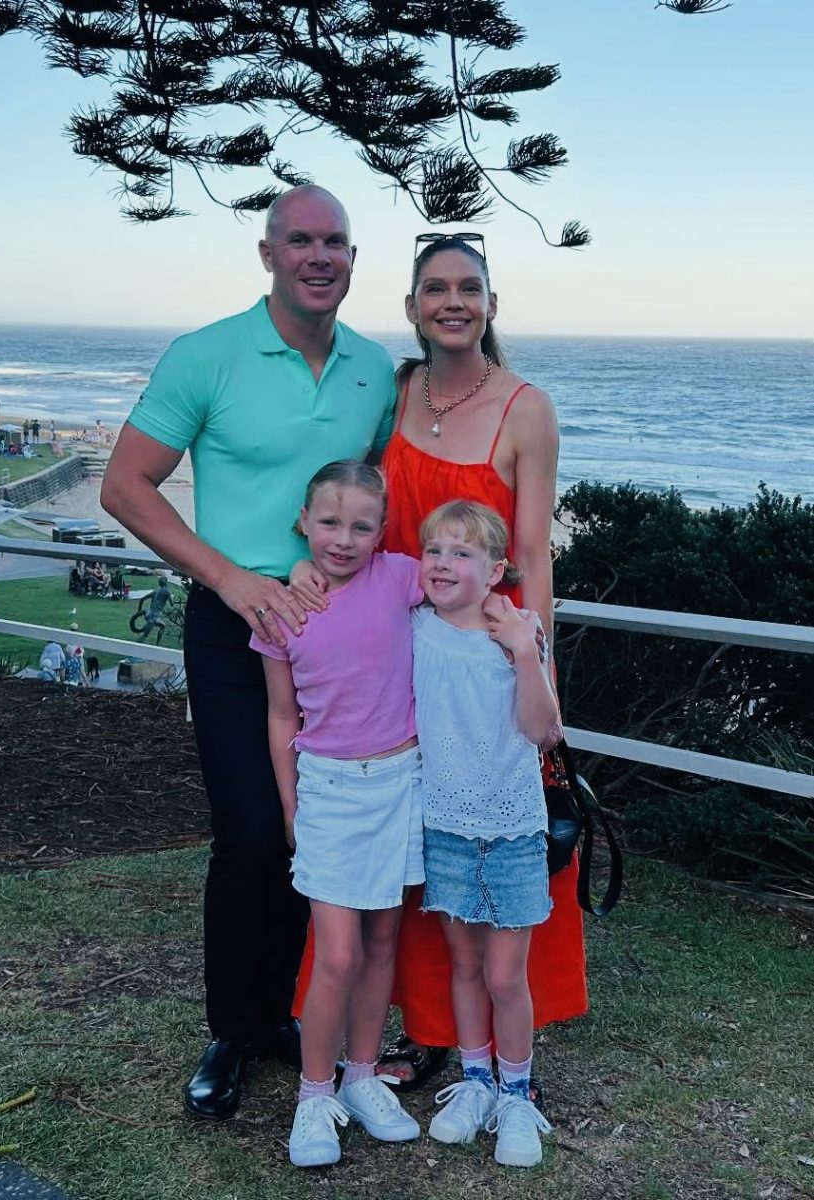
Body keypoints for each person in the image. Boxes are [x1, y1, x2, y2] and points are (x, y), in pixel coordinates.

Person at [100, 185, 397, 1121]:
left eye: (335, 241)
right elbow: (124, 485)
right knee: (252, 832)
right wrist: (231, 579)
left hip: (340, 634)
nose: (319, 256)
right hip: (234, 623)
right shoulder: (206, 355)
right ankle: (233, 1028)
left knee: (322, 831)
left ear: (353, 259)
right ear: (268, 254)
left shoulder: (374, 369)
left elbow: (365, 497)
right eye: (299, 240)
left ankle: (284, 1016)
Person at [292, 233, 587, 1099]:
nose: (451, 302)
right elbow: (344, 502)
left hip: (479, 665)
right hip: (392, 657)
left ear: (490, 305)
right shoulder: (394, 390)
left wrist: (536, 664)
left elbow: (530, 555)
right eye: (434, 288)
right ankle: (413, 1035)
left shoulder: (526, 408)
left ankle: (496, 1054)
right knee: (409, 858)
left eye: (467, 288)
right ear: (412, 306)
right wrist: (307, 565)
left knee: (486, 846)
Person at [252, 461, 424, 1167]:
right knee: (339, 953)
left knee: (382, 941)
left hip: (402, 783)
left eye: (361, 526)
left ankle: (361, 1076)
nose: (343, 540)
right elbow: (280, 714)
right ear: (303, 522)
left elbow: (468, 580)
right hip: (327, 790)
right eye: (328, 523)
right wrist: (291, 805)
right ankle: (314, 1095)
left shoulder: (402, 578)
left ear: (383, 532)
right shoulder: (280, 608)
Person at [413, 500, 556, 1168]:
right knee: (464, 965)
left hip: (511, 831)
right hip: (443, 825)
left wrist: (524, 652)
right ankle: (473, 1082)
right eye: (433, 550)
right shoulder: (415, 626)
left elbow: (541, 730)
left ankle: (516, 1095)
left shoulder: (519, 630)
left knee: (504, 975)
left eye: (461, 553)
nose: (442, 563)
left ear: (496, 570)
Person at [136, 575, 171, 643]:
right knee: (145, 635)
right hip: (154, 617)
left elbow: (142, 599)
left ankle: (156, 644)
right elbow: (171, 603)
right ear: (166, 583)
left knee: (160, 626)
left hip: (148, 614)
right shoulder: (167, 592)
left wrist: (139, 610)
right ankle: (157, 645)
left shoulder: (155, 591)